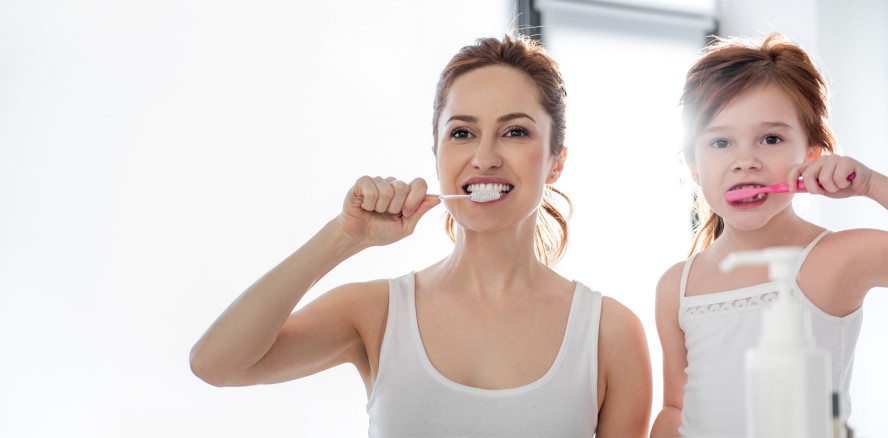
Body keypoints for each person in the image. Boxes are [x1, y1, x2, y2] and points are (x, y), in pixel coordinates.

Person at [190, 34, 652, 437]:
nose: (485, 157)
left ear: (557, 160)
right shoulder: (376, 314)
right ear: (436, 153)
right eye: (462, 133)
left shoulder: (609, 332)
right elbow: (216, 364)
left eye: (514, 131)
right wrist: (343, 237)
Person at [650, 33, 888, 438]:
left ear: (812, 155)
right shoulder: (677, 285)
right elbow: (676, 407)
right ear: (693, 164)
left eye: (771, 139)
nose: (745, 161)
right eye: (721, 142)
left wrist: (871, 185)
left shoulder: (836, 259)